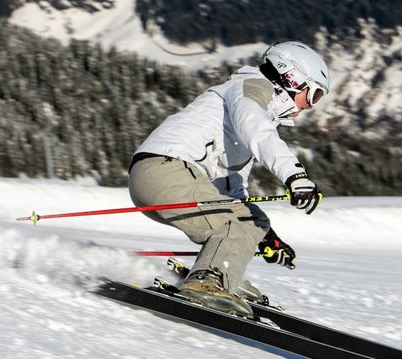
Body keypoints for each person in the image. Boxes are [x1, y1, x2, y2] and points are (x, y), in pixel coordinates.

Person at [128, 41, 329, 317]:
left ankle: (224, 271)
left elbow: (232, 190)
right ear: (291, 77)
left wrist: (263, 236)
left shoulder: (256, 111)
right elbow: (256, 129)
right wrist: (295, 175)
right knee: (235, 222)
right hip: (163, 170)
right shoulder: (252, 90)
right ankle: (208, 280)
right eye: (314, 95)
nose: (310, 106)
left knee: (250, 218)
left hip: (161, 174)